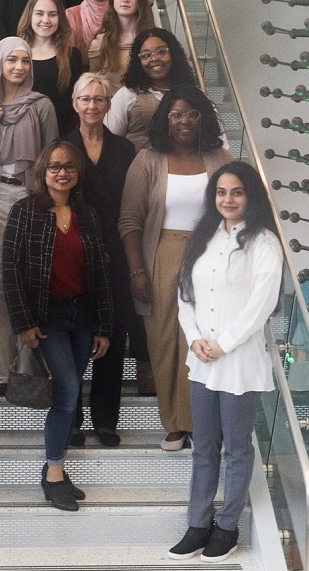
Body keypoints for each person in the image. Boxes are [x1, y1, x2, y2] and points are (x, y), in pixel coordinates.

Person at [167, 161, 282, 562]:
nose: (228, 200)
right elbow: (185, 294)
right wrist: (196, 339)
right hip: (202, 360)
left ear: (250, 196)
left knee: (236, 448)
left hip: (239, 362)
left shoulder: (264, 242)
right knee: (203, 447)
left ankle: (227, 526)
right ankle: (198, 523)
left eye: (236, 192)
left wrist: (224, 343)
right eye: (221, 192)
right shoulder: (203, 238)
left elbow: (261, 304)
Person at [119, 86, 232, 451]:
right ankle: (172, 423)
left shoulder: (221, 158)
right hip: (162, 254)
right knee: (165, 340)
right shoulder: (148, 160)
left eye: (193, 114)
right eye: (176, 114)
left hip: (211, 255)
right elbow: (130, 221)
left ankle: (197, 421)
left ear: (204, 119)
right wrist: (137, 271)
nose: (184, 121)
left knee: (200, 338)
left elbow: (238, 212)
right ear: (165, 119)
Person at [3, 141, 113, 511]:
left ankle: (58, 470)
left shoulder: (90, 216)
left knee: (71, 392)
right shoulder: (25, 212)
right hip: (46, 318)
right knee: (66, 391)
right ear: (42, 172)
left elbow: (100, 274)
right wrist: (24, 322)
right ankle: (53, 474)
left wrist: (103, 326)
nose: (62, 172)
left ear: (78, 172)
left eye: (68, 166)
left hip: (82, 316)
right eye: (54, 166)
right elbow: (11, 271)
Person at [62, 73, 148, 446]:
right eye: (85, 99)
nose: (92, 106)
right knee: (76, 335)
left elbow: (132, 206)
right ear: (74, 104)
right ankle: (73, 420)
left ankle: (106, 421)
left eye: (99, 99)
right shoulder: (62, 147)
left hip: (113, 251)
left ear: (109, 105)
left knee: (111, 335)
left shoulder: (125, 149)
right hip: (73, 250)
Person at [0, 38, 59, 389]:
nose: (19, 67)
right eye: (12, 61)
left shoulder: (42, 106)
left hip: (29, 197)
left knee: (28, 282)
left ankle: (28, 369)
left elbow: (51, 158)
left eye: (25, 61)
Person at [105, 27, 199, 150]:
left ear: (173, 53)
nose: (154, 59)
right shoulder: (128, 94)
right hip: (137, 166)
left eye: (161, 52)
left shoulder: (193, 93)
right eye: (146, 55)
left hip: (184, 166)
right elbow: (109, 139)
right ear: (138, 61)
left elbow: (214, 133)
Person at [19, 0, 84, 135]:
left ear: (60, 18)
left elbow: (74, 106)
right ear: (30, 16)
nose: (46, 20)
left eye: (52, 14)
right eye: (39, 13)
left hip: (60, 134)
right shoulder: (16, 53)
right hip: (22, 133)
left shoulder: (72, 56)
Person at [90, 0, 156, 89]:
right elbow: (94, 85)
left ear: (140, 0)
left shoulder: (154, 40)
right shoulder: (99, 42)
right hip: (111, 105)